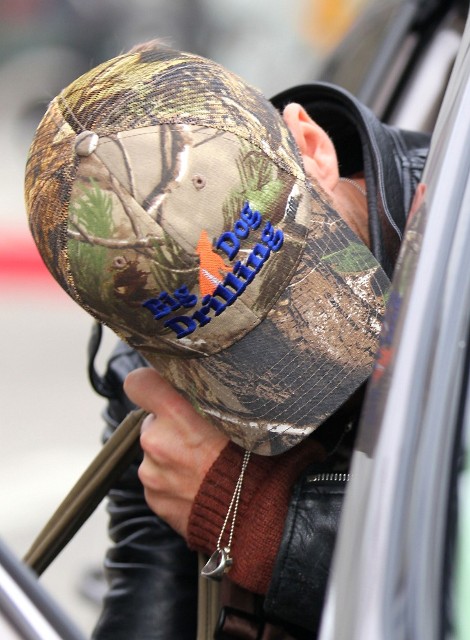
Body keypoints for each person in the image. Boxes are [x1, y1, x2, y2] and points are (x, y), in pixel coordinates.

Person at [24, 41, 430, 639]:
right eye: (228, 350)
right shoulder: (159, 383)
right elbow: (150, 600)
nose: (299, 352)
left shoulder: (456, 245)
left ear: (312, 146)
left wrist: (265, 525)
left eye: (292, 278)